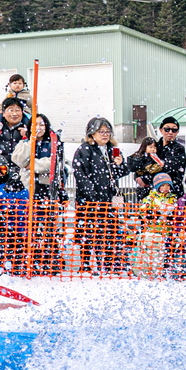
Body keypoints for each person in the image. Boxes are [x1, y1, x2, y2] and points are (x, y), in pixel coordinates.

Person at [9, 113, 67, 274]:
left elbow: (52, 163)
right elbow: (18, 159)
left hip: (47, 189)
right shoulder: (25, 143)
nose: (39, 128)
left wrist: (32, 164)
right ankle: (31, 259)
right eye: (35, 125)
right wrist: (30, 143)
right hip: (29, 188)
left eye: (42, 125)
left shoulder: (54, 143)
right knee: (30, 227)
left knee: (48, 227)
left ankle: (49, 259)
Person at [72, 115, 129, 274]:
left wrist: (120, 164)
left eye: (107, 131)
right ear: (92, 134)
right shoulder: (85, 149)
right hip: (89, 199)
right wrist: (91, 192)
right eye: (101, 131)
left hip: (110, 197)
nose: (105, 135)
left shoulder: (113, 149)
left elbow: (122, 172)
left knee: (111, 230)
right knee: (89, 231)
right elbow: (79, 173)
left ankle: (109, 263)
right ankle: (86, 263)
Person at [130, 172, 177, 278]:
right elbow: (143, 212)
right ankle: (146, 271)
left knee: (166, 252)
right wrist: (155, 214)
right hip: (152, 231)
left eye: (168, 185)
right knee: (149, 253)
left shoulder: (172, 198)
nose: (166, 188)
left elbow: (175, 212)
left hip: (167, 231)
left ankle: (165, 271)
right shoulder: (150, 198)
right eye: (163, 185)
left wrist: (170, 214)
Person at [156, 116, 186, 195]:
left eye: (174, 130)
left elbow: (172, 168)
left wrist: (153, 169)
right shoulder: (154, 147)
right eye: (167, 129)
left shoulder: (179, 149)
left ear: (177, 132)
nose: (170, 132)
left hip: (173, 191)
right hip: (153, 192)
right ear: (161, 130)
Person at [129, 136, 167, 203]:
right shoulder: (142, 157)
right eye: (150, 147)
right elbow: (148, 169)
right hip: (145, 186)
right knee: (145, 203)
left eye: (154, 147)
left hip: (152, 185)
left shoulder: (155, 157)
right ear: (144, 147)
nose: (153, 149)